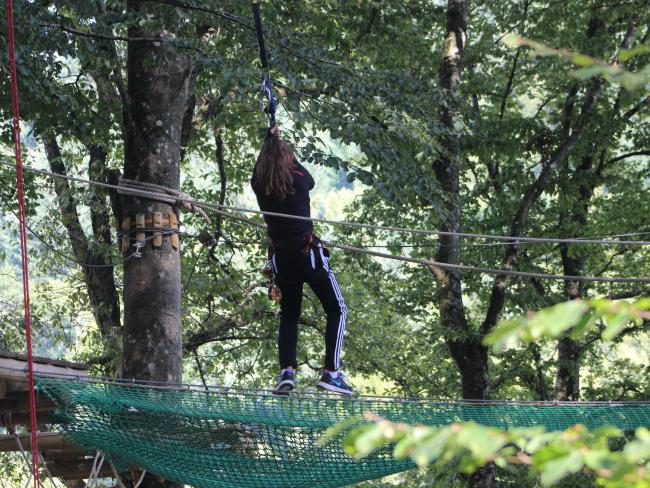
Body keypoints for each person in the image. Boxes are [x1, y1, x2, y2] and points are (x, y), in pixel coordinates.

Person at [251, 125, 352, 396]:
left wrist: (270, 142)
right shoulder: (298, 178)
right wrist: (280, 143)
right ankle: (332, 373)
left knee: (290, 315)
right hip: (310, 256)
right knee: (337, 309)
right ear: (288, 158)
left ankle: (287, 372)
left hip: (283, 260)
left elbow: (261, 167)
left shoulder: (258, 183)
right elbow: (310, 180)